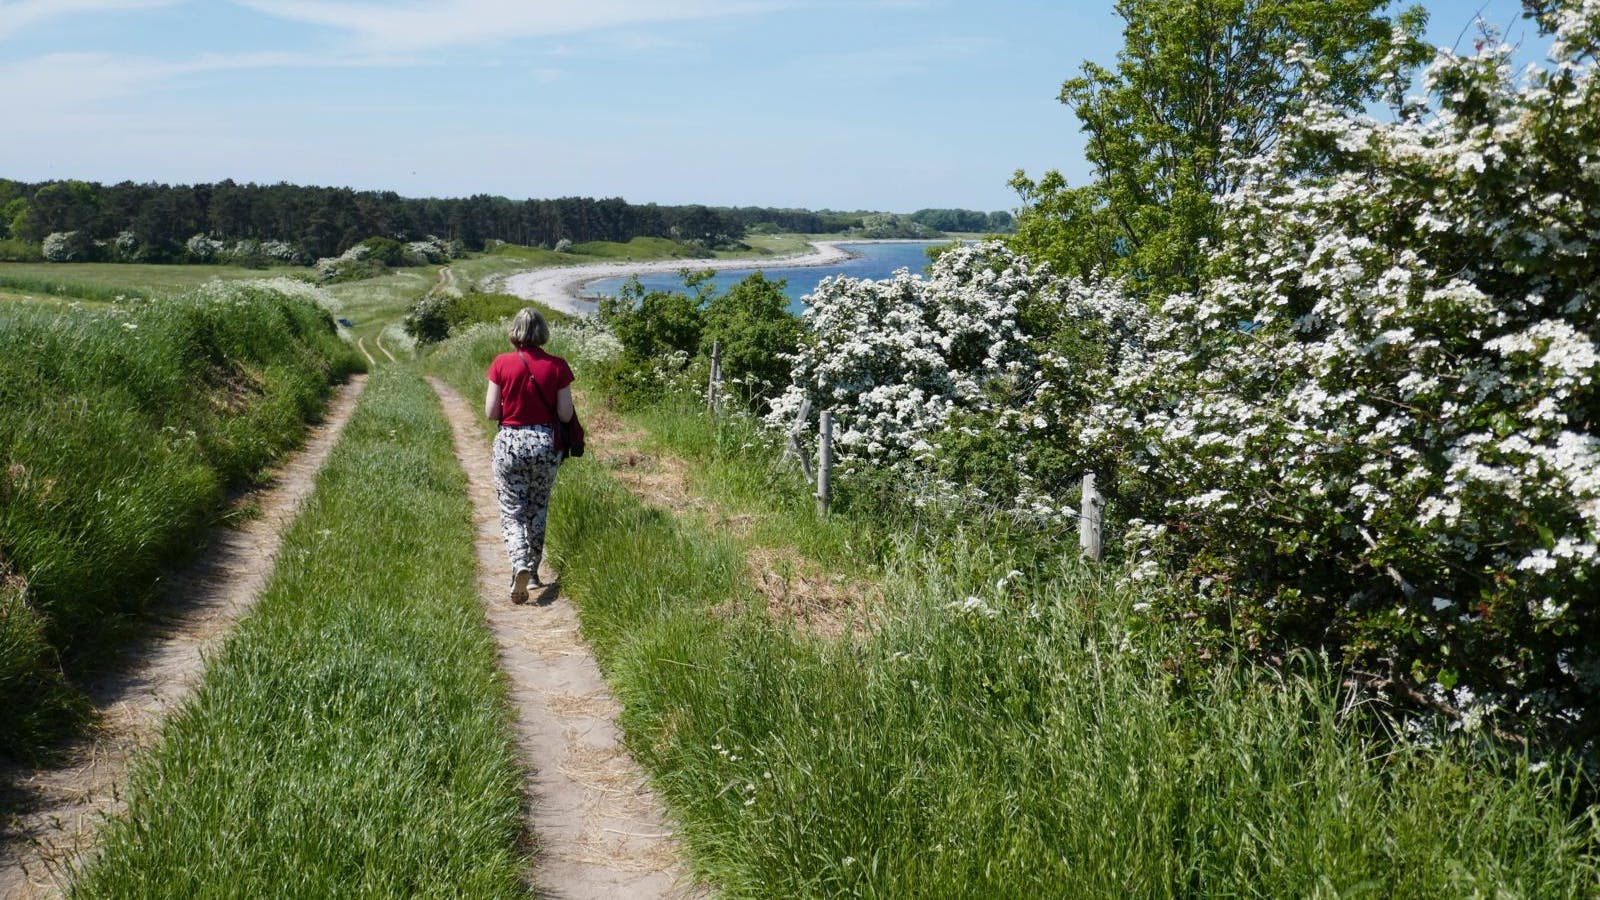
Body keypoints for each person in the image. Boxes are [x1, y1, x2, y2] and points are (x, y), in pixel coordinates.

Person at [485, 307, 575, 604]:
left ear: (515, 331)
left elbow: (490, 412)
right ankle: (533, 573)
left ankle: (519, 562)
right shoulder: (558, 366)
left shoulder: (501, 363)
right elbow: (565, 413)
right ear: (542, 333)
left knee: (512, 510)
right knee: (538, 507)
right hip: (545, 445)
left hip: (509, 442)